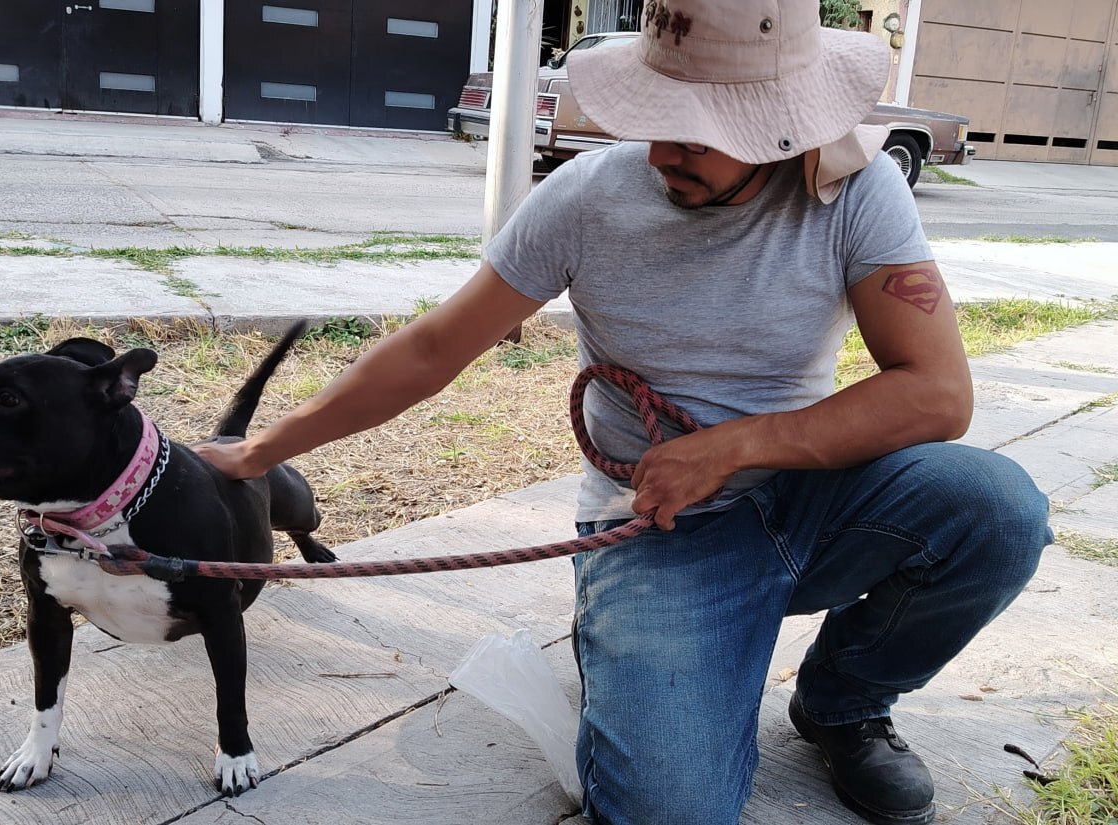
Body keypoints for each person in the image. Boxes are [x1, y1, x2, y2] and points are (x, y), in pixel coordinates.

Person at [193, 1, 1052, 822]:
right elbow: (431, 350)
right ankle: (629, 632)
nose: (658, 154)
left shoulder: (857, 191)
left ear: (780, 125)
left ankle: (843, 701)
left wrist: (735, 446)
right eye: (655, 117)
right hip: (659, 529)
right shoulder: (587, 198)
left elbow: (939, 393)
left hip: (810, 497)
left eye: (695, 132)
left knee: (998, 508)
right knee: (668, 809)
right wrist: (262, 451)